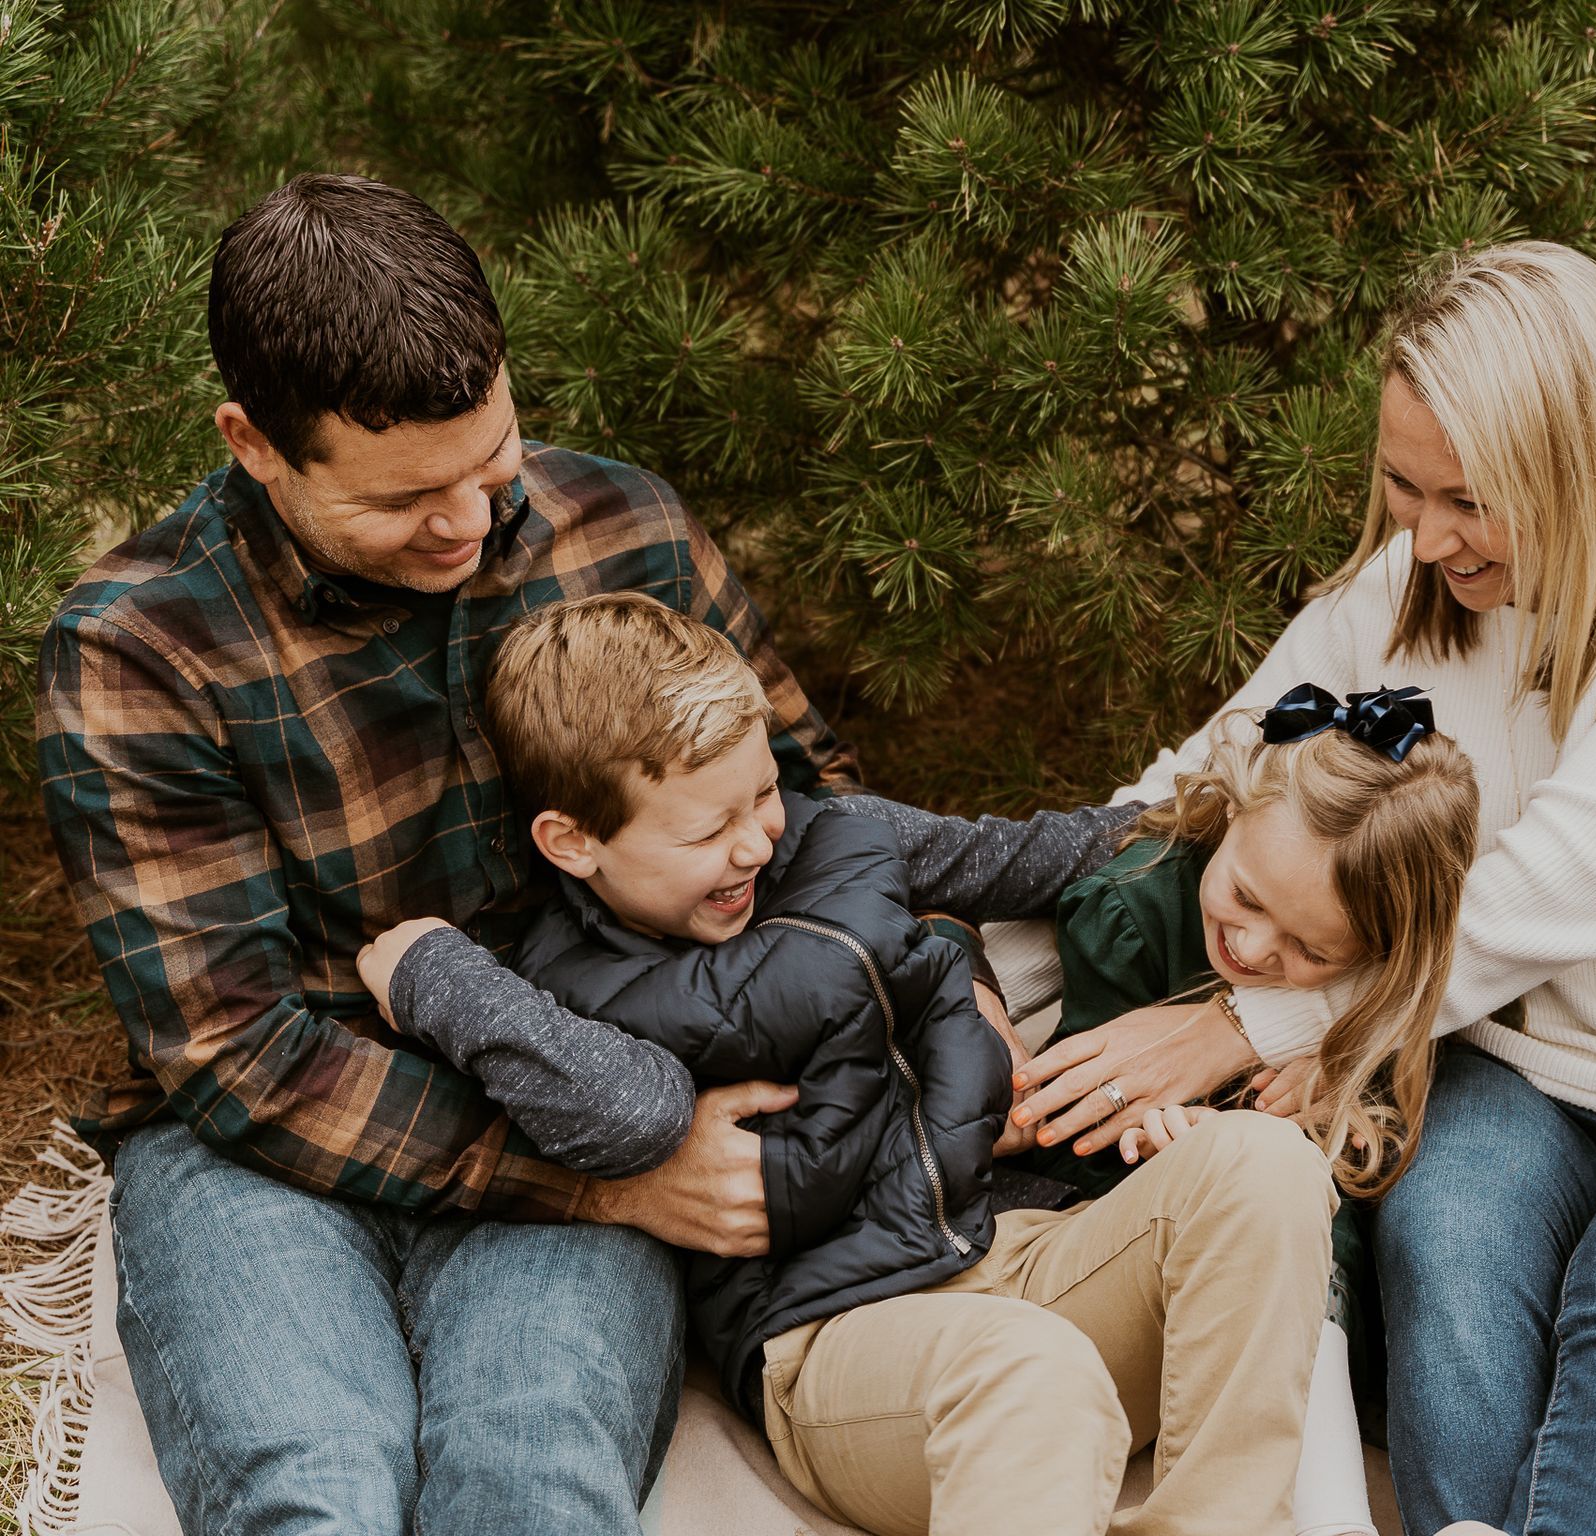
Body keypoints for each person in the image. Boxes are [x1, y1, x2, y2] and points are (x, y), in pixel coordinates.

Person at [32, 172, 1024, 1533]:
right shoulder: (140, 649)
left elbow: (809, 804)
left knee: (533, 1479)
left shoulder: (623, 527)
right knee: (312, 1495)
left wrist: (942, 975)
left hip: (600, 1068)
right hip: (273, 1144)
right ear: (255, 445)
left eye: (489, 467)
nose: (467, 522)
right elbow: (234, 1048)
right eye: (404, 502)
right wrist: (600, 1174)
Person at [1011, 241, 1596, 1536]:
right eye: (1400, 484)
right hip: (1516, 1079)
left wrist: (1228, 1029)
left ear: (1583, 467)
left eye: (1472, 500)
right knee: (1442, 1243)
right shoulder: (1419, 594)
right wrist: (958, 947)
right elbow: (1204, 770)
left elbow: (1534, 899)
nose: (1427, 536)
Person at [359, 591, 1340, 1536]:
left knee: (1265, 1163)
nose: (755, 841)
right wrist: (432, 972)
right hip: (835, 1338)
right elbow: (634, 1114)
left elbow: (1039, 854)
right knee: (1033, 1370)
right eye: (710, 829)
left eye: (761, 796)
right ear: (573, 842)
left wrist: (1247, 812)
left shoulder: (839, 841)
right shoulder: (568, 982)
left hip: (1018, 1245)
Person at [1030, 687, 1479, 1536]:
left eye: (1314, 952)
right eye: (1246, 895)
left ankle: (1338, 1514)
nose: (1254, 948)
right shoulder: (1137, 910)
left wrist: (1338, 1095)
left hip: (1333, 1287)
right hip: (1144, 1250)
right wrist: (1156, 1143)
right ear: (1232, 810)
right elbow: (1058, 1144)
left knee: (1322, 1212)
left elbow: (1384, 1150)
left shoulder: (1374, 999)